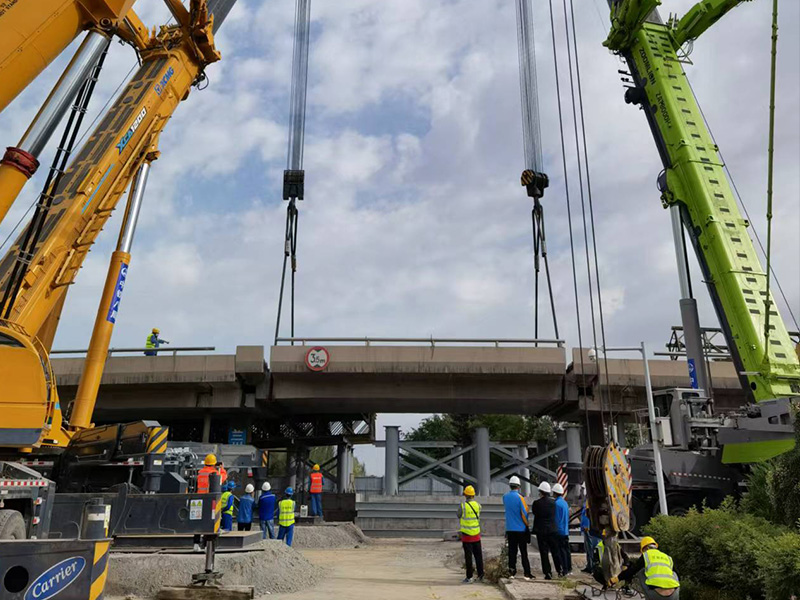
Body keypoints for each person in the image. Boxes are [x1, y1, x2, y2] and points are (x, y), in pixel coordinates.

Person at [502, 476, 534, 580]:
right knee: (523, 552)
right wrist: (527, 525)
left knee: (512, 552)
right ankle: (527, 573)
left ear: (510, 485)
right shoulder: (520, 498)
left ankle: (511, 572)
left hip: (510, 529)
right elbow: (524, 513)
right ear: (519, 486)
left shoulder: (505, 497)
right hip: (520, 529)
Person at [530, 481, 562, 580]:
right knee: (555, 551)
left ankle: (547, 573)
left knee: (544, 553)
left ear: (541, 491)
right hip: (553, 530)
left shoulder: (536, 503)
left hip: (541, 531)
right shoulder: (554, 503)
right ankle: (559, 570)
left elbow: (535, 513)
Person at [456, 485, 484, 584]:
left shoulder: (462, 506)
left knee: (468, 557)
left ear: (465, 495)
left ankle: (470, 577)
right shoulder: (478, 505)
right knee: (478, 556)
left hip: (467, 536)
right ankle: (481, 575)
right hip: (476, 535)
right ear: (473, 495)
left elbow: (458, 515)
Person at [552, 483, 572, 576]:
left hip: (558, 531)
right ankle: (569, 568)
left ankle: (564, 570)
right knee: (566, 550)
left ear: (555, 493)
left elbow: (555, 518)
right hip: (565, 530)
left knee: (560, 551)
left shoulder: (556, 504)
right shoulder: (565, 503)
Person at [580, 498, 600, 574]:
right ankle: (589, 566)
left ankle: (592, 567)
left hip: (588, 528)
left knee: (591, 548)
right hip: (586, 528)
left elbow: (588, 514)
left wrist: (586, 526)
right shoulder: (588, 501)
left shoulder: (591, 501)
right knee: (588, 548)